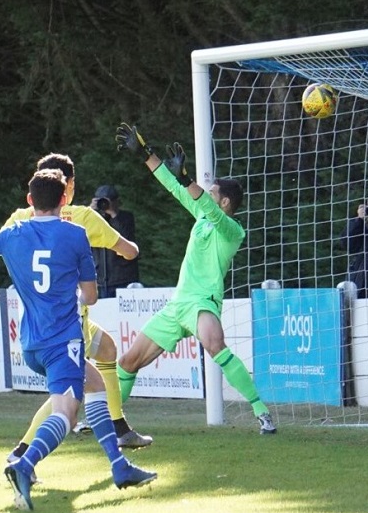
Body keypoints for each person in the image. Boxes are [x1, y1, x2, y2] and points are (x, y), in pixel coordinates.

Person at [0, 168, 157, 511]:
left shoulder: (13, 233)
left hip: (31, 343)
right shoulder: (75, 234)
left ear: (30, 201)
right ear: (64, 199)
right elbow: (90, 297)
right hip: (64, 341)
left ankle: (120, 467)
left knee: (96, 383)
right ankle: (23, 464)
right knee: (67, 415)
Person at [114, 123, 277, 435]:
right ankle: (111, 422)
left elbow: (204, 205)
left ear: (224, 202)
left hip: (202, 302)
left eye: (212, 192)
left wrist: (187, 178)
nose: (207, 195)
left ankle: (262, 412)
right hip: (178, 304)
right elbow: (172, 187)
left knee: (216, 346)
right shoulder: (204, 214)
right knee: (128, 362)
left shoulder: (232, 230)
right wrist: (146, 153)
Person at [91, 185, 140, 298]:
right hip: (99, 280)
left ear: (116, 201)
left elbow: (126, 236)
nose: (104, 205)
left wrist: (114, 214)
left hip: (123, 278)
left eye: (107, 201)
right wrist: (90, 211)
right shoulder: (91, 219)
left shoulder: (126, 218)